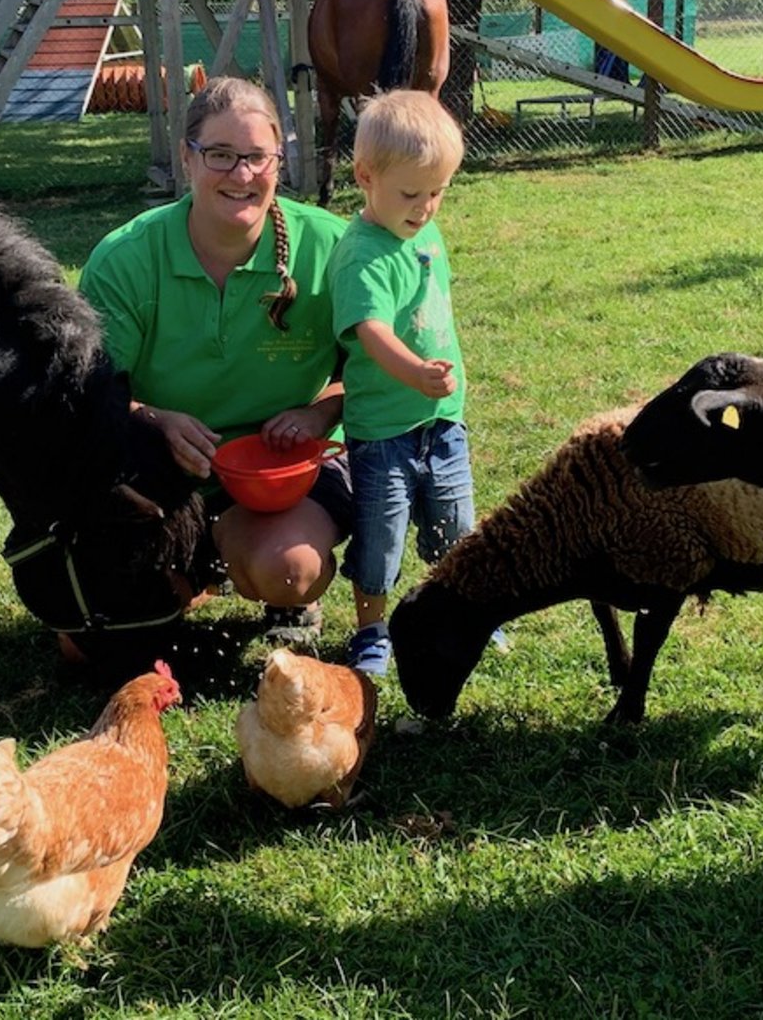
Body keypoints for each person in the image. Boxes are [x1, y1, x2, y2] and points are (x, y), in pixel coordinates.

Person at [78, 77, 351, 648]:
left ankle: (273, 583)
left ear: (280, 159)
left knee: (288, 570)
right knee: (83, 644)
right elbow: (87, 397)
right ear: (187, 157)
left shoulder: (333, 248)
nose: (242, 175)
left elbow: (372, 374)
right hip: (161, 473)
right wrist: (155, 420)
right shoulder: (126, 259)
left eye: (257, 156)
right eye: (220, 155)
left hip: (283, 475)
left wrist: (318, 414)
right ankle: (195, 564)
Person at [327, 90, 475, 677]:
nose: (426, 208)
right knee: (380, 536)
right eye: (411, 194)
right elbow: (372, 332)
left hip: (443, 420)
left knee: (455, 528)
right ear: (366, 176)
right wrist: (415, 373)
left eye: (437, 192)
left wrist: (435, 381)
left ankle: (460, 611)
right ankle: (372, 630)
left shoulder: (424, 234)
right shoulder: (362, 255)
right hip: (383, 430)